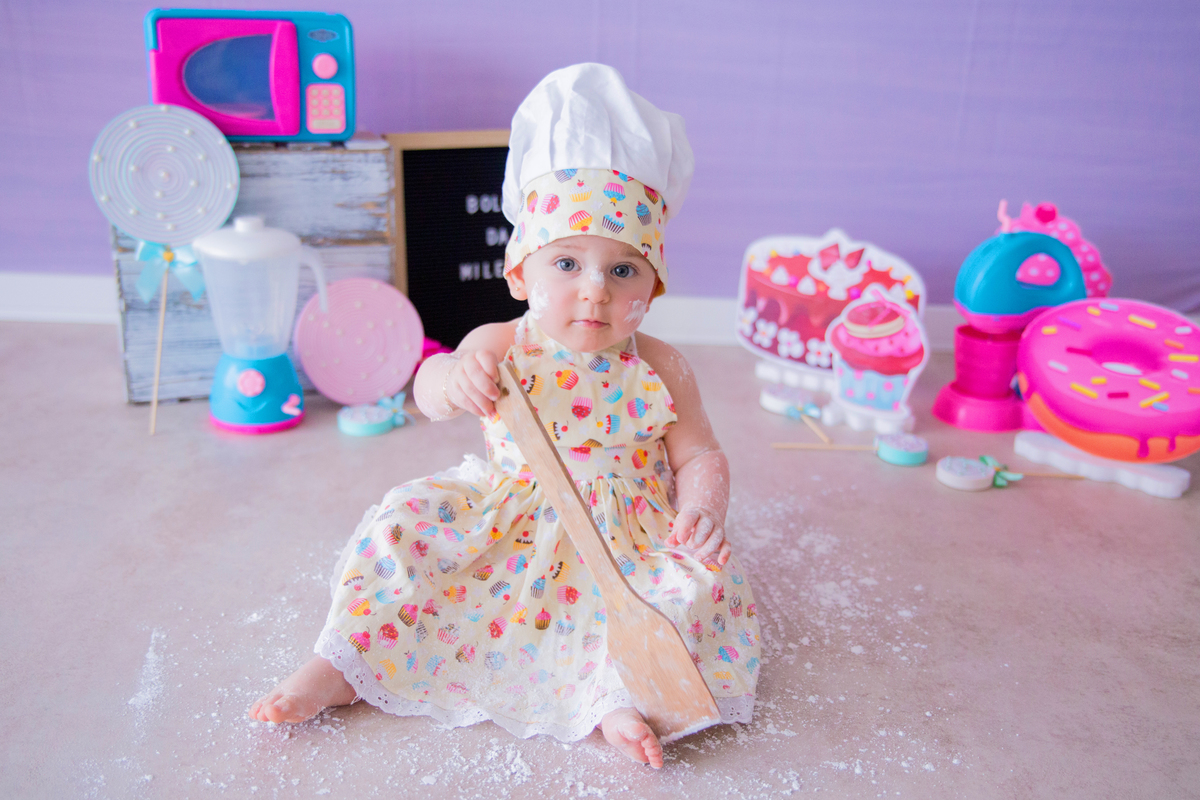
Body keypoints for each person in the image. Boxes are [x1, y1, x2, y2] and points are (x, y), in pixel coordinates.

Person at [250, 63, 760, 769]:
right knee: (402, 532)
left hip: (627, 538)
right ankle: (344, 664)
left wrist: (703, 508)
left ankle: (613, 699)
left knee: (685, 591)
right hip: (510, 517)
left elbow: (700, 455)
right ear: (520, 271)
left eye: (622, 270)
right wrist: (452, 378)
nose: (594, 292)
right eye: (567, 264)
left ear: (655, 282)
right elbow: (425, 393)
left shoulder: (663, 367)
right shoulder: (500, 345)